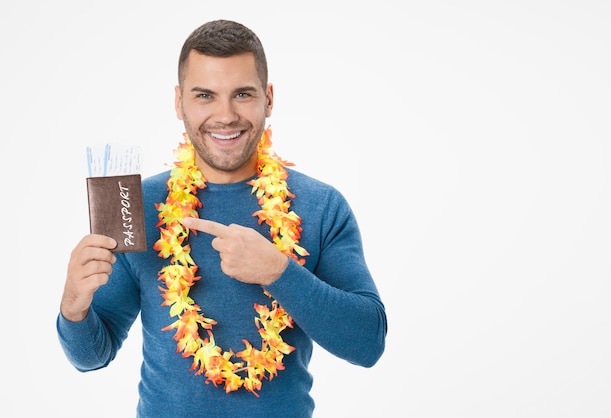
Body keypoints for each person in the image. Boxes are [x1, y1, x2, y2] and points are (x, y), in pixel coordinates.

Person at [57, 19, 387, 417]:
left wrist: (278, 272)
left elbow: (368, 344)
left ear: (268, 98)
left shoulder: (321, 206)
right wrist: (74, 307)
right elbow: (93, 356)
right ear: (179, 102)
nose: (225, 115)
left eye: (243, 94)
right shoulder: (135, 203)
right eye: (205, 96)